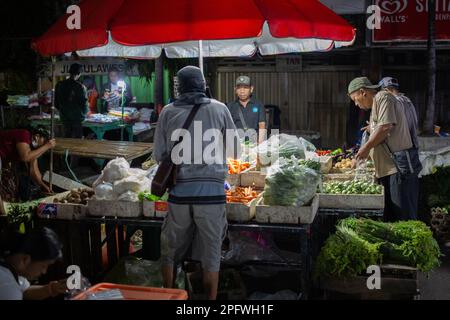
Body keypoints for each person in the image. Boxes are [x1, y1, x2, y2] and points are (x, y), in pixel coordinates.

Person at [154, 66, 238, 300]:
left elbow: (160, 154)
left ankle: (170, 295)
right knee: (211, 253)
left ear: (178, 87)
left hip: (179, 194)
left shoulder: (168, 112)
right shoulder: (220, 108)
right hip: (212, 195)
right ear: (203, 84)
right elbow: (234, 149)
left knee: (170, 250)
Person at [348, 77, 421, 221]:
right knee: (392, 215)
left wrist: (365, 148)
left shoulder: (382, 96)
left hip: (398, 167)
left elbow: (385, 127)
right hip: (389, 169)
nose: (356, 104)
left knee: (402, 216)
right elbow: (383, 127)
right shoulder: (377, 104)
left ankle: (406, 242)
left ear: (363, 92)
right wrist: (371, 129)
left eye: (355, 99)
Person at [0, 227, 67, 300]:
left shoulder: (9, 267)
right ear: (25, 260)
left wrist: (55, 288)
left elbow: (25, 291)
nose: (44, 271)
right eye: (43, 266)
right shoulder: (8, 288)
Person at [0, 127, 56, 207]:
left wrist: (43, 186)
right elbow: (25, 157)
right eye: (45, 141)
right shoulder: (24, 134)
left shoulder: (32, 149)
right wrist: (47, 146)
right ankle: (4, 216)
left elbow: (33, 171)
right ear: (37, 136)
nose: (43, 145)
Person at [378, 77, 419, 148]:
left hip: (400, 149)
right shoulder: (407, 100)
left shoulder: (392, 102)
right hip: (413, 145)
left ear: (385, 90)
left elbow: (387, 127)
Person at [227, 76, 266, 144]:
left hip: (254, 144)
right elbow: (227, 127)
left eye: (245, 87)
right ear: (235, 89)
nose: (242, 91)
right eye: (239, 88)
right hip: (237, 144)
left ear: (251, 89)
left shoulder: (258, 105)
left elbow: (262, 125)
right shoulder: (230, 106)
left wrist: (260, 144)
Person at [54, 63, 89, 138]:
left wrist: (63, 111)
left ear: (69, 72)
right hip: (77, 119)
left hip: (64, 119)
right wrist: (84, 114)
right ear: (79, 74)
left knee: (66, 140)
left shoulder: (59, 85)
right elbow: (84, 105)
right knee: (77, 143)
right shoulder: (81, 87)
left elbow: (56, 103)